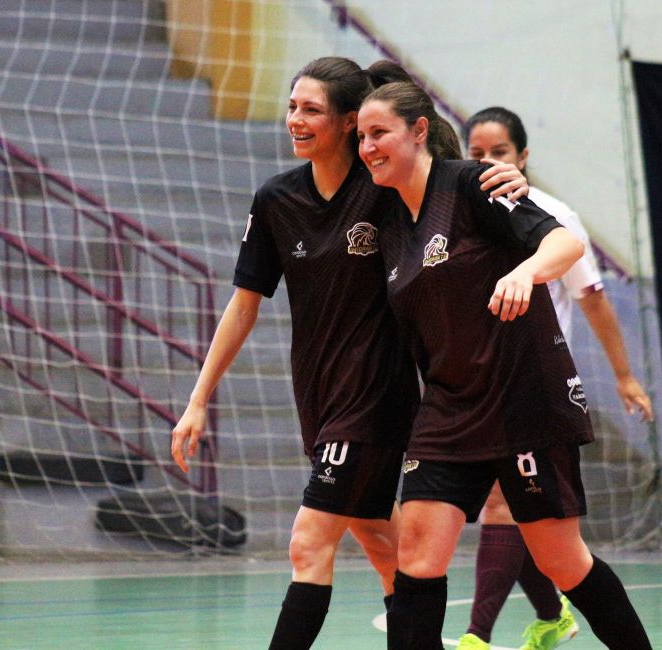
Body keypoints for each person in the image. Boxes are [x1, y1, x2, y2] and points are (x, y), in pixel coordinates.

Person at [169, 57, 527, 650]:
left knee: (308, 544)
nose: (295, 120)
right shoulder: (277, 198)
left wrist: (500, 181)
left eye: (311, 110)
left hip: (377, 399)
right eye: (292, 107)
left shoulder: (384, 188)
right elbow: (243, 303)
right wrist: (198, 399)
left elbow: (450, 188)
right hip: (318, 397)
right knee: (384, 548)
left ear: (346, 122)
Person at [357, 82, 653, 650]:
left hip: (524, 398)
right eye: (362, 137)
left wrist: (527, 272)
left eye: (380, 133)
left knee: (563, 562)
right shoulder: (389, 224)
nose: (368, 147)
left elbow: (564, 244)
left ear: (419, 131)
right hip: (449, 407)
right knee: (415, 558)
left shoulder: (473, 184)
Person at [455, 109, 656, 650]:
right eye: (476, 153)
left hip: (534, 388)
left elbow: (594, 302)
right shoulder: (460, 213)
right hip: (475, 387)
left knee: (506, 508)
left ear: (522, 158)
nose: (487, 162)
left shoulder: (551, 216)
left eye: (499, 152)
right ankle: (553, 617)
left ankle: (477, 636)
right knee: (525, 522)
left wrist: (624, 376)